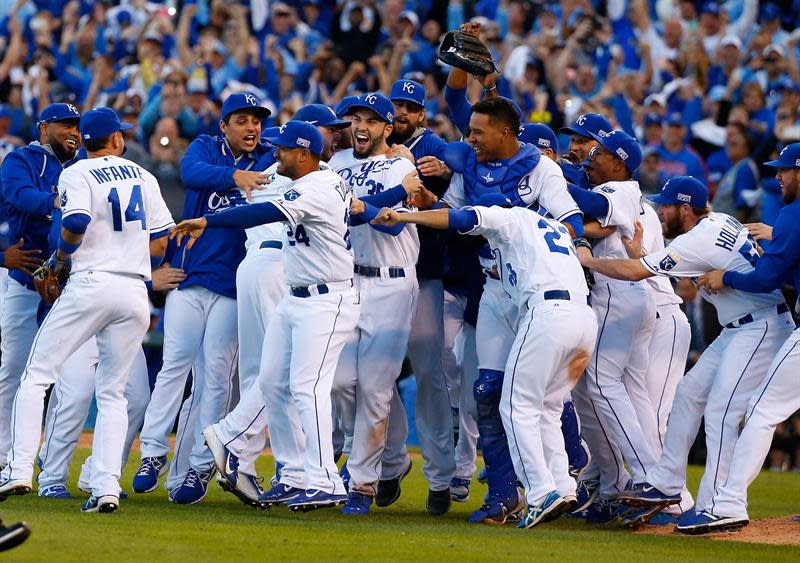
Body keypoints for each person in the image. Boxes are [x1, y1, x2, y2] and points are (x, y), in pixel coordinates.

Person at [373, 192, 597, 529]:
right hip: (582, 318)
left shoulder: (508, 218)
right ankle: (563, 486)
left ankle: (540, 492)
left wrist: (406, 217)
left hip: (548, 312)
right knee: (548, 406)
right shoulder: (548, 226)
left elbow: (459, 219)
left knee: (515, 406)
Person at [577, 176, 794, 526]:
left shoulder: (699, 237)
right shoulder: (719, 221)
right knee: (688, 394)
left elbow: (634, 273)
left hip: (762, 327)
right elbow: (674, 268)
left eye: (666, 205)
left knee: (722, 411)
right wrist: (644, 257)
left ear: (685, 208)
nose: (660, 211)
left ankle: (719, 506)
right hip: (742, 326)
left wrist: (588, 260)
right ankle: (665, 483)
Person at [172, 120, 359, 512]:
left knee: (307, 388)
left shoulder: (317, 187)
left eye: (285, 149)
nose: (276, 153)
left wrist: (207, 220)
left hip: (327, 299)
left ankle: (324, 480)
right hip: (296, 294)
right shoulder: (314, 177)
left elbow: (260, 213)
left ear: (305, 154)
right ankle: (286, 472)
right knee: (272, 380)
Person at [0, 107, 175, 513]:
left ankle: (20, 468)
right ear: (115, 140)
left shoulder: (77, 173)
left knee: (36, 376)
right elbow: (163, 241)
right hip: (133, 291)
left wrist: (59, 259)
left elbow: (75, 220)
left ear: (90, 140)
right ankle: (106, 488)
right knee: (113, 394)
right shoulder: (144, 175)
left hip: (90, 283)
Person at [440, 97, 583, 525]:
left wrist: (525, 229)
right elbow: (452, 214)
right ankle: (504, 495)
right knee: (487, 390)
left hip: (533, 291)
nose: (471, 140)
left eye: (479, 132)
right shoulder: (468, 166)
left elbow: (571, 222)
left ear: (505, 133)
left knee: (540, 398)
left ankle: (569, 476)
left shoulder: (541, 168)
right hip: (493, 287)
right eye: (469, 132)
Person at [132, 93, 272, 504]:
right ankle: (153, 452)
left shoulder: (268, 160)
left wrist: (250, 174)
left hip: (231, 286)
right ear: (224, 125)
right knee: (174, 364)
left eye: (257, 121)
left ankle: (198, 466)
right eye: (242, 120)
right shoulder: (206, 148)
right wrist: (234, 178)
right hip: (189, 278)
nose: (252, 128)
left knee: (215, 377)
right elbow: (190, 172)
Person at [675, 144, 800, 534]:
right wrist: (780, 235)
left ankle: (727, 503)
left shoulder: (794, 213)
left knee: (761, 412)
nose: (777, 177)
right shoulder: (790, 220)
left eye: (784, 170)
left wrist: (725, 277)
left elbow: (766, 279)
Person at [328, 92, 424, 516]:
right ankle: (395, 459)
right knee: (338, 382)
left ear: (388, 128)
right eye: (356, 119)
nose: (360, 126)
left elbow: (387, 226)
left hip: (392, 286)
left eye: (371, 119)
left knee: (375, 390)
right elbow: (339, 218)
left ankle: (361, 484)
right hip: (349, 282)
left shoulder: (403, 165)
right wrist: (373, 202)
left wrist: (369, 203)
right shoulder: (336, 165)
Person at [565, 130, 659, 524]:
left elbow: (586, 202)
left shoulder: (621, 190)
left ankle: (647, 477)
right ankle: (617, 481)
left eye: (599, 153)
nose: (590, 155)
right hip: (625, 299)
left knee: (602, 385)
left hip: (619, 294)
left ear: (618, 163)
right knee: (599, 390)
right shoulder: (610, 185)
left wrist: (548, 169)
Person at [380, 78, 459, 511]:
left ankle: (441, 479)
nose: (402, 113)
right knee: (373, 374)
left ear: (422, 114)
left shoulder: (438, 148)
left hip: (425, 273)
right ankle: (390, 462)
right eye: (397, 105)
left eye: (410, 107)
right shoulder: (377, 148)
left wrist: (442, 179)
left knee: (430, 376)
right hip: (373, 278)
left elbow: (456, 201)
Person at [0, 103, 82, 467]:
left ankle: (48, 460)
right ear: (44, 126)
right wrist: (59, 202)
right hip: (23, 278)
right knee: (15, 371)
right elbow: (20, 196)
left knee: (68, 378)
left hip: (69, 285)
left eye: (77, 127)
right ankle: (5, 454)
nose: (73, 132)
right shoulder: (22, 159)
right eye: (65, 125)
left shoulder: (81, 166)